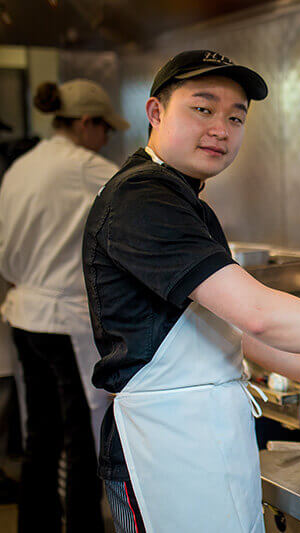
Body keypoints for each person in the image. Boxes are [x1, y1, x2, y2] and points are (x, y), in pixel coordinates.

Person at [82, 50, 300, 533]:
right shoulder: (141, 198)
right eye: (202, 109)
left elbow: (239, 333)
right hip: (163, 448)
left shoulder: (183, 200)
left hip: (201, 441)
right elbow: (259, 315)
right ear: (155, 112)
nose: (221, 129)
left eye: (235, 116)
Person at [0, 79, 129, 532]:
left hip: (23, 317)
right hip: (61, 321)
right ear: (88, 123)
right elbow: (141, 200)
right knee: (80, 439)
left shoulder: (21, 166)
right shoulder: (85, 167)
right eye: (105, 129)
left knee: (41, 434)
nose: (107, 139)